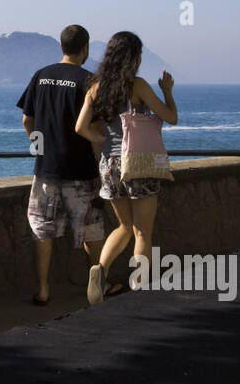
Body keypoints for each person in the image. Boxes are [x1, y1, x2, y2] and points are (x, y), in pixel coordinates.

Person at [75, 31, 178, 301]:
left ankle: (100, 268)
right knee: (143, 231)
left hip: (109, 165)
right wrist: (167, 92)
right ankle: (140, 290)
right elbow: (171, 117)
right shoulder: (139, 86)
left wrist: (105, 141)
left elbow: (80, 127)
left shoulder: (95, 87)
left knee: (124, 226)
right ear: (133, 57)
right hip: (138, 163)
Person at [17, 24, 106, 306]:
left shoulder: (41, 76)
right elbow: (94, 128)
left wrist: (40, 148)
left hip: (45, 170)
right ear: (86, 48)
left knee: (43, 230)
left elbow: (27, 120)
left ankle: (43, 290)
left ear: (61, 47)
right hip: (80, 169)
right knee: (91, 230)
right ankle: (99, 290)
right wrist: (100, 162)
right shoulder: (89, 80)